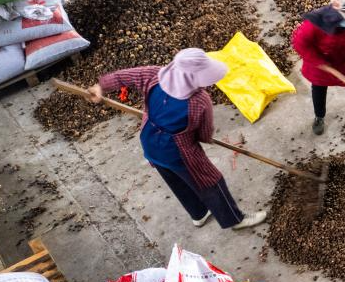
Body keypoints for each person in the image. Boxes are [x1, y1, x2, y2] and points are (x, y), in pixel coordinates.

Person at [87, 49, 267, 231]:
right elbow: (204, 134)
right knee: (211, 182)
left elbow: (122, 77)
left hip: (149, 140)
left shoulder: (153, 75)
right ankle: (235, 219)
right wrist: (195, 138)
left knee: (175, 179)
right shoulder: (199, 101)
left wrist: (101, 87)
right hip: (178, 151)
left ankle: (199, 213)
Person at [292, 0, 345, 135]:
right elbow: (300, 43)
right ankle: (319, 117)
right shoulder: (315, 23)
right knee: (319, 92)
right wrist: (319, 62)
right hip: (320, 68)